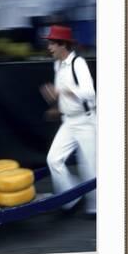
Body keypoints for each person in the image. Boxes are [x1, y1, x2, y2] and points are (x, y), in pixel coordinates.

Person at [40, 25, 96, 215]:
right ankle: (71, 197)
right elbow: (64, 96)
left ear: (63, 44)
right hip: (69, 122)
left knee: (89, 166)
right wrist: (56, 108)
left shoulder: (77, 63)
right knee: (53, 159)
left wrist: (62, 91)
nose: (49, 48)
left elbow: (89, 92)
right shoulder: (57, 65)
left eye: (52, 44)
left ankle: (95, 208)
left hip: (86, 122)